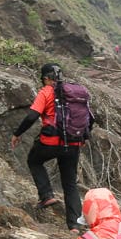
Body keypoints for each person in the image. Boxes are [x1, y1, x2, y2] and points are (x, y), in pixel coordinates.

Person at [9, 62, 83, 229]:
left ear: (46, 78)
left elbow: (32, 116)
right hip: (73, 142)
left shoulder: (47, 91)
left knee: (34, 161)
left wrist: (17, 134)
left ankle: (46, 195)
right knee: (70, 183)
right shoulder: (74, 91)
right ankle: (75, 226)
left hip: (51, 141)